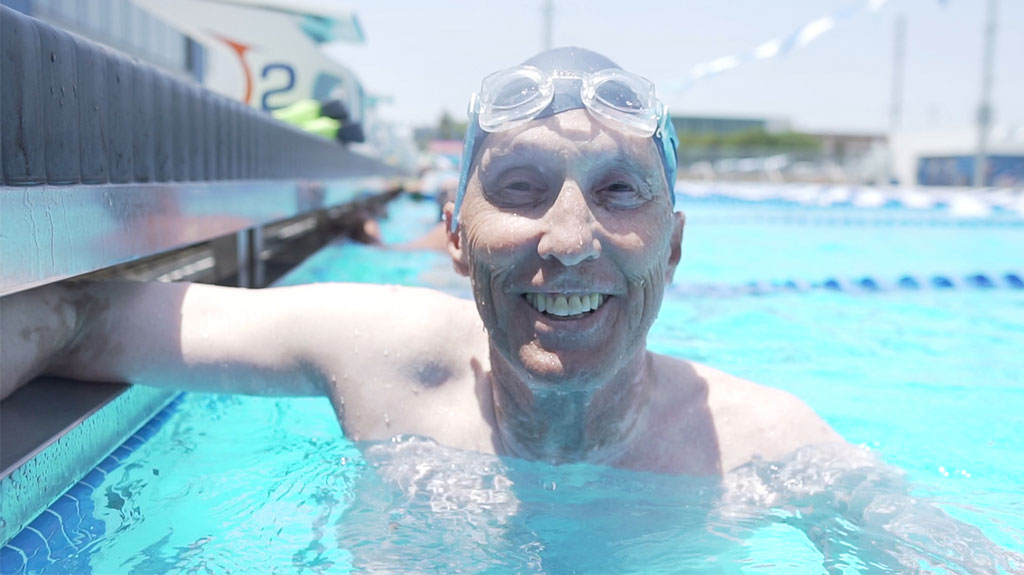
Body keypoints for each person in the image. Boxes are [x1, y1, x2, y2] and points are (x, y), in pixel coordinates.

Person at [1, 47, 840, 475]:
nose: (570, 237)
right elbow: (75, 311)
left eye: (619, 191)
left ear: (677, 243)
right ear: (454, 234)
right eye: (521, 187)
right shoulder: (376, 354)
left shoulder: (763, 443)